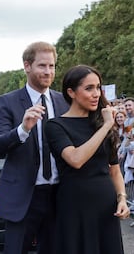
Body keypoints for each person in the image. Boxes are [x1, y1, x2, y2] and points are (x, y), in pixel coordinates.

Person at [0, 41, 69, 254]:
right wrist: (23, 129)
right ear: (27, 66)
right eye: (42, 66)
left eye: (52, 66)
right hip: (23, 197)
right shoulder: (8, 102)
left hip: (58, 196)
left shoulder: (63, 102)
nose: (48, 72)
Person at [45, 65, 130, 253]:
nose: (96, 94)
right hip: (74, 208)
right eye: (89, 88)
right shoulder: (55, 126)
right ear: (71, 92)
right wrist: (107, 125)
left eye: (98, 87)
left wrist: (122, 198)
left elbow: (114, 170)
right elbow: (76, 159)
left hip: (106, 207)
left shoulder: (101, 125)